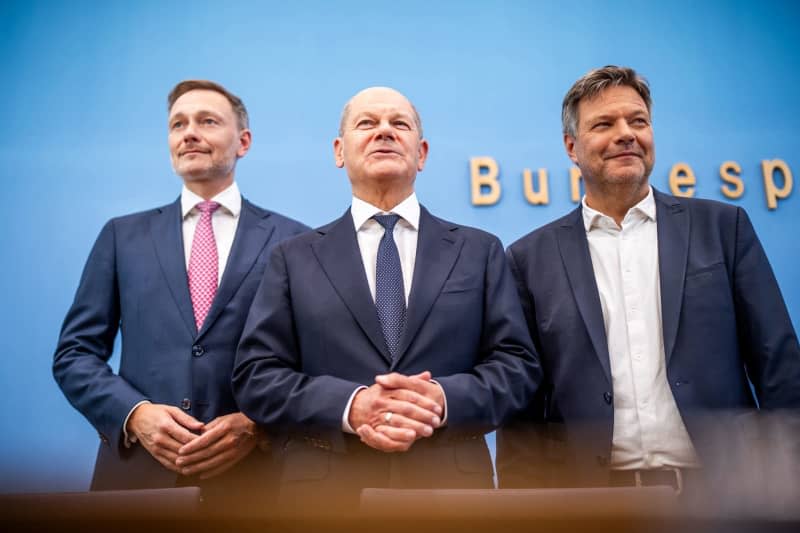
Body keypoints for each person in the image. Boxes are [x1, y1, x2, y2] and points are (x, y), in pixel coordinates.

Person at [233, 86, 540, 513]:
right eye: (367, 123)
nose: (384, 132)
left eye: (399, 124)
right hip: (325, 501)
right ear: (339, 151)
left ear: (422, 153)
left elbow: (518, 367)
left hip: (453, 497)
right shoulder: (293, 257)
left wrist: (441, 400)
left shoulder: (479, 250)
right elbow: (256, 377)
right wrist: (350, 405)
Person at [498, 66, 800, 492]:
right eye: (604, 124)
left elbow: (779, 365)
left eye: (637, 121)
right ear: (571, 147)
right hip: (592, 503)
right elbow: (524, 407)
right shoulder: (528, 259)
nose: (626, 134)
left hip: (724, 496)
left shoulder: (723, 228)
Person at [53, 80, 308, 509]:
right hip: (137, 481)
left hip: (259, 485)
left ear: (243, 142)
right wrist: (135, 414)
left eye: (207, 121)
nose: (189, 133)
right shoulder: (122, 236)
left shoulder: (295, 240)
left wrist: (259, 424)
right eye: (178, 125)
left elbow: (315, 362)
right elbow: (74, 354)